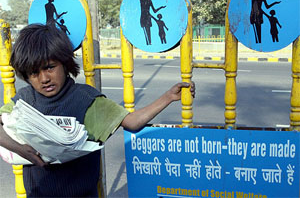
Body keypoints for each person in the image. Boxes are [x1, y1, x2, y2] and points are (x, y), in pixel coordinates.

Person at [0, 24, 195, 197]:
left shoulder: (85, 99)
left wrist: (169, 96)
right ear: (26, 75)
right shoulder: (25, 100)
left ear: (65, 63)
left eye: (50, 67)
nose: (44, 79)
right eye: (34, 73)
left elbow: (132, 122)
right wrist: (22, 150)